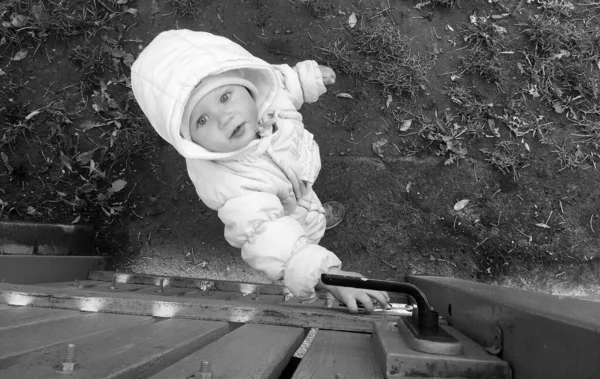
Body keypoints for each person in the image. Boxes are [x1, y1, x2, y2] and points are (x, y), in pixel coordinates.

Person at [131, 29, 389, 313]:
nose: (223, 116)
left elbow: (280, 83)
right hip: (279, 205)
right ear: (188, 139)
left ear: (248, 85)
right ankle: (313, 228)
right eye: (202, 119)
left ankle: (314, 214)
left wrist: (305, 79)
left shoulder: (266, 99)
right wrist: (325, 275)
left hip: (295, 173)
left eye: (225, 97)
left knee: (306, 198)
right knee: (298, 227)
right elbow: (265, 233)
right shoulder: (231, 185)